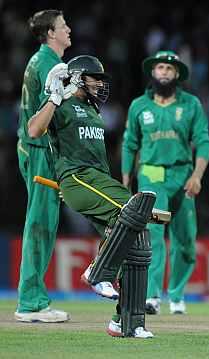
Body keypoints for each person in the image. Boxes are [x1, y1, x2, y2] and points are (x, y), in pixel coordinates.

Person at [27, 55, 156, 338]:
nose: (100, 83)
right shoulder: (61, 104)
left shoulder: (92, 110)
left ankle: (124, 321)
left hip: (97, 181)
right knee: (132, 207)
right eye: (94, 78)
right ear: (76, 78)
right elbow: (34, 130)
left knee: (137, 239)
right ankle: (99, 272)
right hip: (77, 178)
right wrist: (54, 98)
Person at [122, 50, 209, 315]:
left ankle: (177, 294)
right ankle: (151, 296)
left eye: (169, 69)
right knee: (154, 237)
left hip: (183, 175)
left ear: (177, 75)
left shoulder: (191, 104)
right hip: (151, 175)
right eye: (160, 68)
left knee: (185, 241)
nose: (164, 72)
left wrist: (197, 176)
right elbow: (129, 144)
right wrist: (126, 180)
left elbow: (203, 141)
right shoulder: (139, 105)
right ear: (153, 72)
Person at [15, 9, 71, 323]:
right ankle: (30, 302)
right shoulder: (50, 63)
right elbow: (51, 114)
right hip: (39, 150)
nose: (69, 29)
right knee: (39, 223)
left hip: (34, 149)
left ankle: (34, 299)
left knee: (44, 223)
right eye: (63, 26)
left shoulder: (39, 61)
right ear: (51, 33)